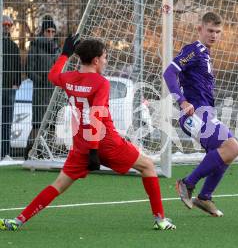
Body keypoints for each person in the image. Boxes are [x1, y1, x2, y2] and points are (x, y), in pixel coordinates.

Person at [0, 35, 176, 231]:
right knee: (148, 166)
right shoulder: (101, 82)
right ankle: (160, 220)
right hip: (106, 143)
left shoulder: (68, 78)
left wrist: (65, 54)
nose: (106, 61)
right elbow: (96, 115)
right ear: (96, 60)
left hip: (81, 146)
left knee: (58, 184)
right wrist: (95, 150)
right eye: (105, 57)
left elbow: (52, 76)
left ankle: (18, 220)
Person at [163, 12, 238, 217]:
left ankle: (205, 197)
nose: (214, 35)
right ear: (200, 29)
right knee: (232, 147)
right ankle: (187, 184)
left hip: (205, 113)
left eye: (217, 32)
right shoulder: (194, 50)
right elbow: (169, 72)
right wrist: (182, 101)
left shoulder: (206, 54)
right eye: (210, 31)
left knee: (223, 155)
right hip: (194, 113)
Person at [24, 16, 61, 158]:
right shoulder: (35, 46)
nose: (50, 34)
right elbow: (29, 69)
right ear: (43, 32)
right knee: (37, 124)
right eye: (48, 31)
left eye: (53, 31)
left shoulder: (57, 48)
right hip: (40, 90)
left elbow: (62, 67)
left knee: (52, 124)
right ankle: (29, 151)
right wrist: (41, 81)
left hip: (54, 91)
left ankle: (47, 153)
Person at [1, 15, 22, 159]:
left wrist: (16, 83)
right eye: (4, 24)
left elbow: (17, 67)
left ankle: (5, 153)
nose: (6, 27)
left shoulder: (13, 47)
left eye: (9, 25)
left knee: (6, 122)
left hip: (8, 89)